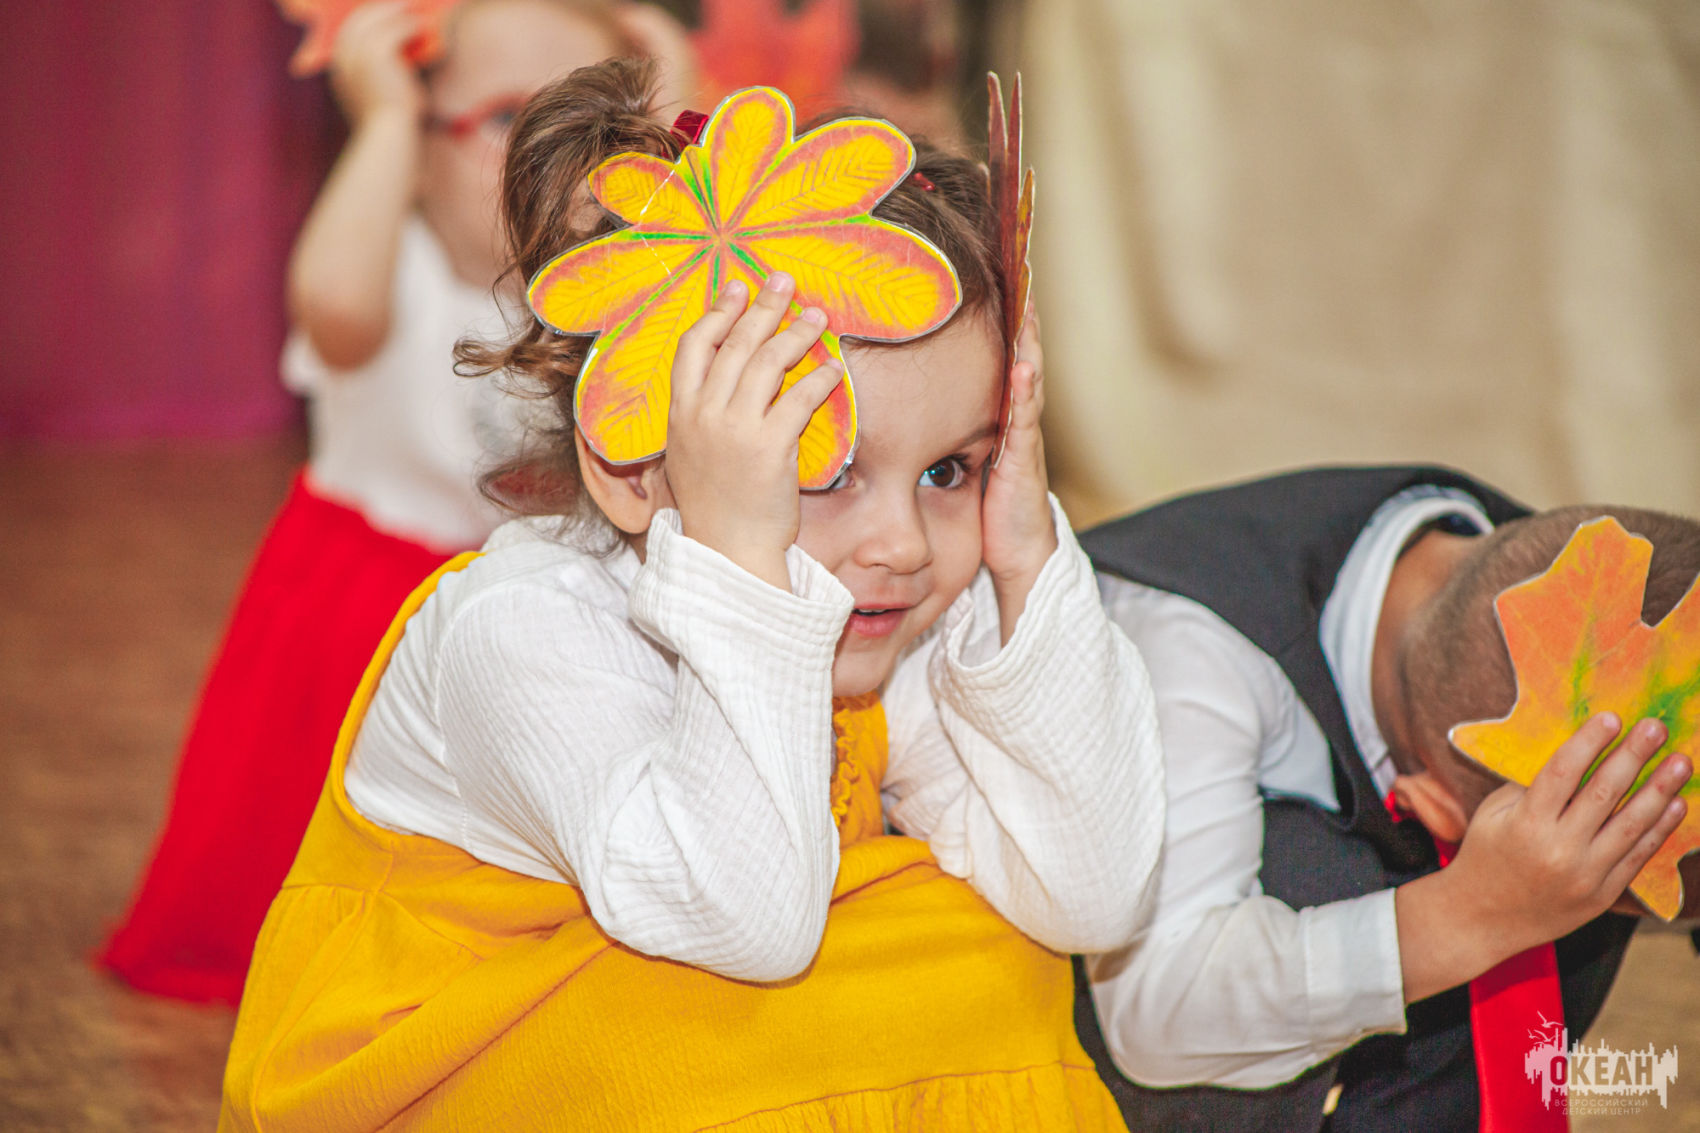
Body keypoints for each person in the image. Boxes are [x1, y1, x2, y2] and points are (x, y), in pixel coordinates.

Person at [218, 58, 1164, 1131]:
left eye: (953, 470)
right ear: (635, 471)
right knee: (747, 987)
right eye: (823, 472)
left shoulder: (886, 619)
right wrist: (740, 564)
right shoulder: (521, 629)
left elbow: (1088, 892)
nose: (903, 543)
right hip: (440, 1075)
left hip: (667, 1045)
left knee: (995, 947)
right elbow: (743, 924)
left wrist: (1029, 557)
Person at [98, 0, 687, 1005]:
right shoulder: (387, 268)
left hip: (534, 622)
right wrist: (379, 122)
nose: (556, 163)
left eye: (593, 130)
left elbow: (709, 247)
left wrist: (672, 99)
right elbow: (331, 305)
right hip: (363, 613)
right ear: (418, 142)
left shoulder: (609, 295)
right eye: (507, 119)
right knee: (323, 850)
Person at [1070, 465, 1697, 1131]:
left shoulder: (1553, 576)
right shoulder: (1183, 659)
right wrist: (1469, 915)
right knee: (1384, 895)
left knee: (1578, 866)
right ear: (1436, 811)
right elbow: (1158, 1008)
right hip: (1088, 951)